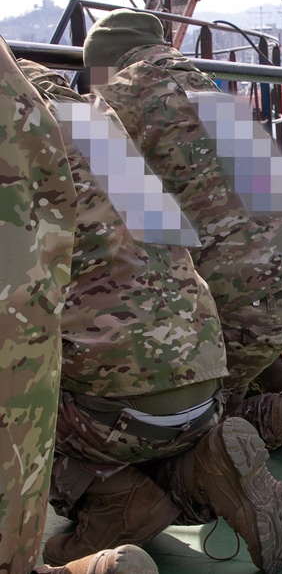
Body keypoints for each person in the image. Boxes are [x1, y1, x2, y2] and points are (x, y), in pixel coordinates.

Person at [83, 10, 282, 487]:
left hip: (255, 301)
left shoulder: (113, 105)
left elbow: (132, 230)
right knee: (237, 303)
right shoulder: (208, 87)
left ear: (101, 67)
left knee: (181, 424)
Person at [19, 60, 282, 574]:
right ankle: (201, 469)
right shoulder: (97, 125)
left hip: (116, 413)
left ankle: (113, 498)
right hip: (209, 383)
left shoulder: (16, 145)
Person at [0, 39, 158, 574]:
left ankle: (123, 490)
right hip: (219, 372)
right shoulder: (90, 116)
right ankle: (269, 414)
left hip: (117, 406)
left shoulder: (129, 92)